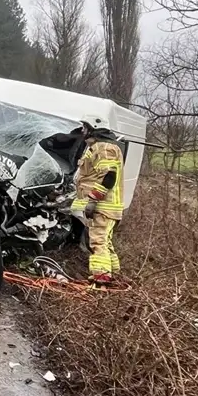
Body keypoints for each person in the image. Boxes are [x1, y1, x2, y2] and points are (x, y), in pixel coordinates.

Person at [71, 115, 125, 286]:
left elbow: (109, 176)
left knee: (98, 241)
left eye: (85, 127)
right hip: (105, 207)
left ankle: (101, 280)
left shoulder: (104, 148)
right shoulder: (97, 147)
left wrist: (94, 199)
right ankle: (113, 275)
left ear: (94, 128)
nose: (82, 131)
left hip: (104, 206)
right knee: (105, 242)